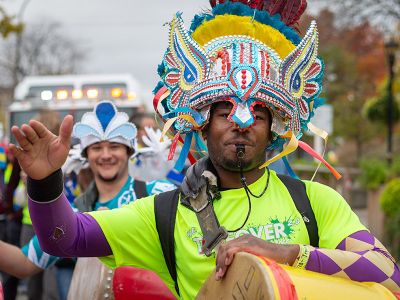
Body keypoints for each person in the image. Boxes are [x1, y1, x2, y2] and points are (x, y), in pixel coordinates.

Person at [9, 1, 400, 299]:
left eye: (258, 113)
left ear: (276, 127)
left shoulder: (315, 202)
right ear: (201, 122)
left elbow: (386, 271)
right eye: (223, 110)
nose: (241, 121)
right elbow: (63, 238)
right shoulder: (163, 214)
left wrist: (286, 254)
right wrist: (45, 181)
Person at [1, 100, 175, 299]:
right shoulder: (73, 215)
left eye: (115, 146)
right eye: (97, 148)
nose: (106, 155)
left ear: (128, 152)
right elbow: (25, 263)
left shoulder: (160, 194)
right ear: (86, 155)